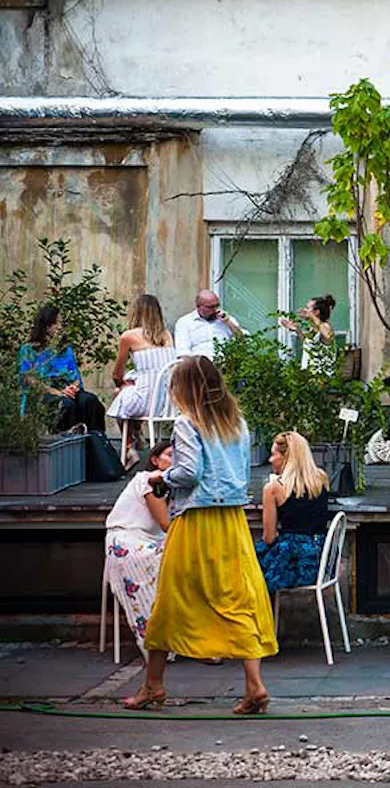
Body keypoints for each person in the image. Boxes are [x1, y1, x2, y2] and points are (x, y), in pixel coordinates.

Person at [125, 355, 277, 714]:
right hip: (232, 521)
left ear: (186, 389)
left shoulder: (187, 422)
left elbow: (189, 473)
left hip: (196, 521)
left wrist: (161, 477)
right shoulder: (236, 422)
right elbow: (241, 471)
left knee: (171, 600)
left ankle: (153, 685)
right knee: (237, 599)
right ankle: (254, 685)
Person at [104, 440, 173, 658]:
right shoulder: (147, 480)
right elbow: (166, 524)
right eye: (170, 455)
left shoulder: (173, 488)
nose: (176, 461)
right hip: (127, 539)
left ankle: (182, 635)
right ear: (155, 460)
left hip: (152, 540)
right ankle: (160, 640)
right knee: (174, 560)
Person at [255, 431, 335, 594]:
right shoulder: (321, 478)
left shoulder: (273, 488)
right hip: (323, 560)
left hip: (294, 562)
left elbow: (269, 538)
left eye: (273, 455)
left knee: (248, 567)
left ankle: (264, 610)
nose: (270, 460)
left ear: (286, 458)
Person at [108, 294, 177, 468]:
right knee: (129, 393)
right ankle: (137, 435)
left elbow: (117, 375)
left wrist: (123, 384)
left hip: (145, 402)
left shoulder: (129, 336)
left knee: (119, 394)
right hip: (166, 403)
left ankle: (129, 447)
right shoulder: (167, 335)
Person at [18, 304, 106, 433]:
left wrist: (73, 387)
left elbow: (75, 375)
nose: (60, 327)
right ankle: (68, 442)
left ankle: (96, 441)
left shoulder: (65, 349)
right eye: (56, 323)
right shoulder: (28, 350)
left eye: (60, 323)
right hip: (45, 391)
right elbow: (28, 378)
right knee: (66, 406)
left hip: (67, 388)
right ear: (46, 325)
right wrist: (55, 391)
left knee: (90, 401)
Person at [174, 290, 245, 360]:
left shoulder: (226, 319)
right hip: (199, 363)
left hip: (225, 361)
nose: (215, 310)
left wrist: (228, 322)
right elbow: (183, 352)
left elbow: (243, 340)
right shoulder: (185, 322)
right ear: (199, 306)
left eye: (217, 306)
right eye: (210, 307)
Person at [280, 294, 336, 372]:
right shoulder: (313, 329)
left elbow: (328, 336)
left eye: (307, 308)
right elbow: (309, 345)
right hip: (309, 375)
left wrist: (312, 316)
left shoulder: (325, 326)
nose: (304, 310)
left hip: (322, 376)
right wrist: (297, 330)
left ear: (316, 312)